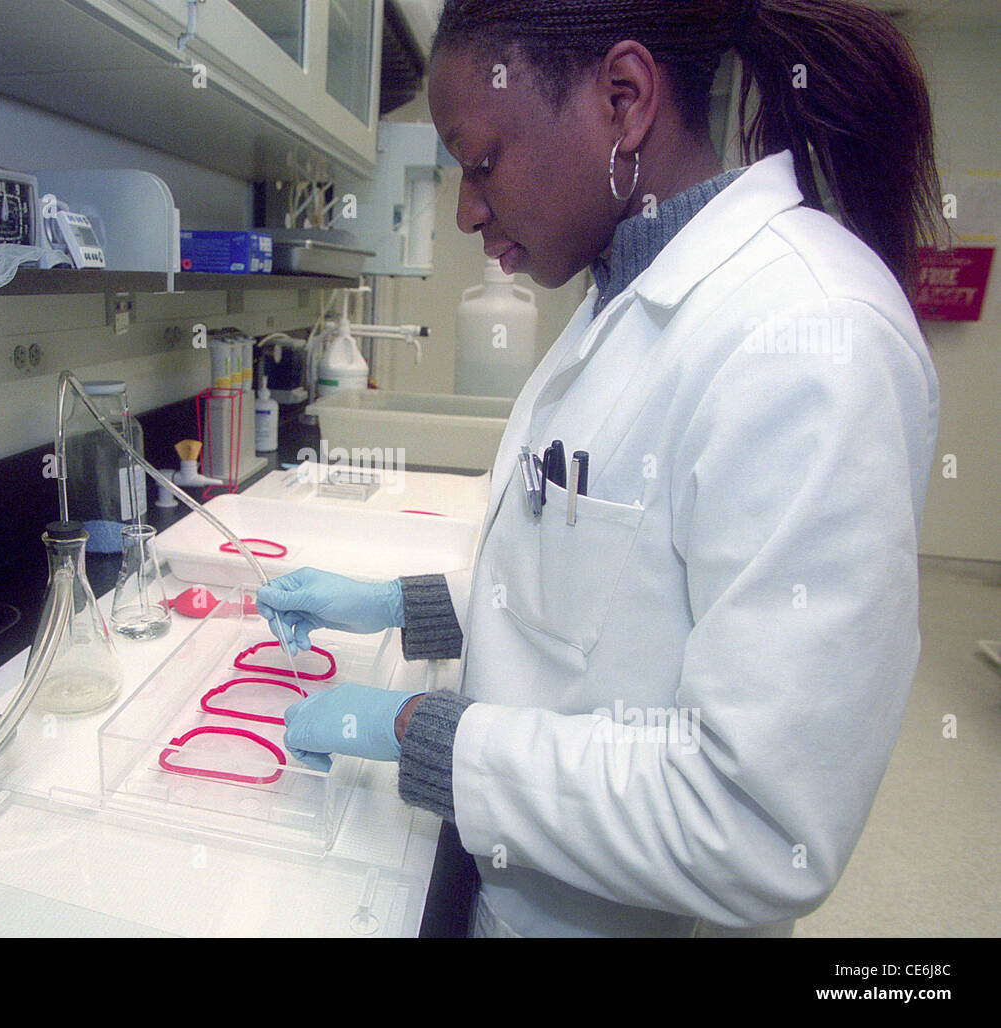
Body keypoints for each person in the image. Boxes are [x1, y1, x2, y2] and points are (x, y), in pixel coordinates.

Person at [256, 0, 942, 937]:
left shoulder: (811, 337)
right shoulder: (618, 294)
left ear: (623, 100)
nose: (465, 209)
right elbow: (599, 588)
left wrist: (419, 734)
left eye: (481, 160)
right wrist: (397, 605)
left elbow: (755, 821)